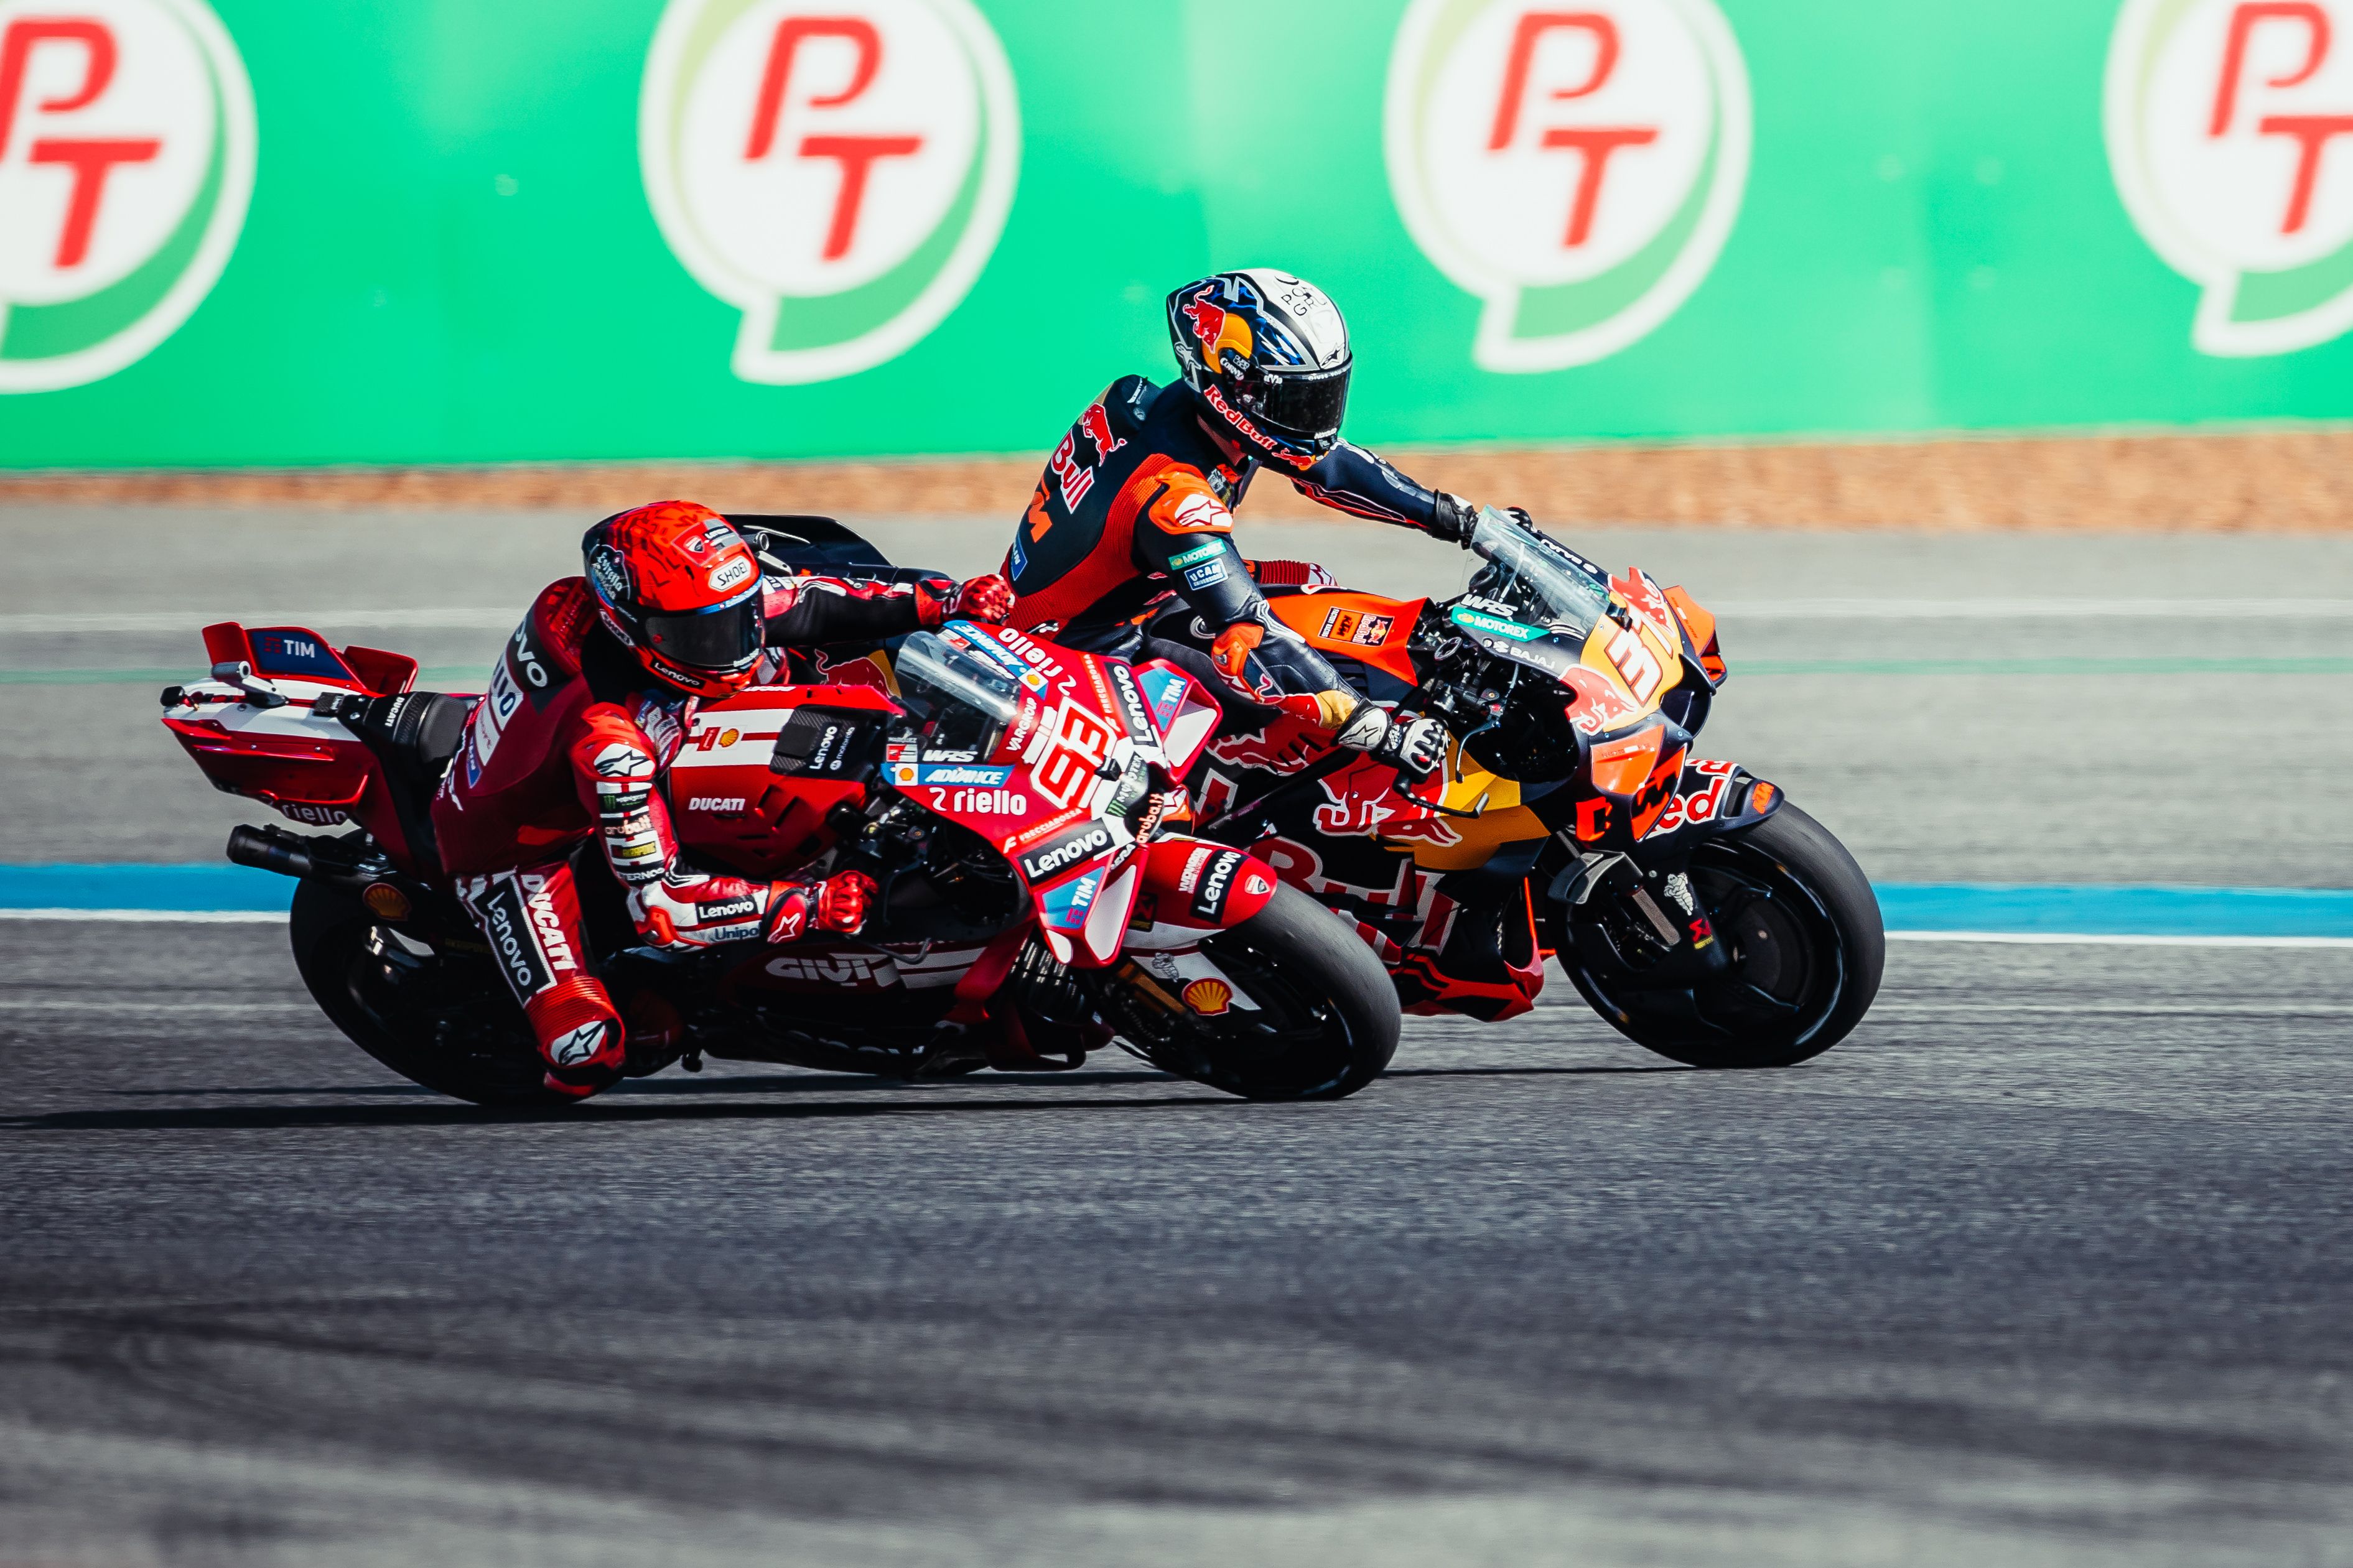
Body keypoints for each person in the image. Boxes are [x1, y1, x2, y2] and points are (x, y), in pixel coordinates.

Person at [431, 499, 1014, 1100]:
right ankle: (661, 1003)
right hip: (522, 854)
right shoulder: (611, 744)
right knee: (586, 1053)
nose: (731, 645)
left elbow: (804, 599)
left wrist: (943, 603)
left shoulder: (680, 614)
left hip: (628, 739)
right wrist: (811, 905)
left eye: (735, 618)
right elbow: (663, 908)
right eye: (700, 633)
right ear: (631, 627)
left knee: (821, 676)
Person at [1002, 267, 1499, 778]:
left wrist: (1461, 521)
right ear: (1228, 387)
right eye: (1296, 402)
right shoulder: (1173, 496)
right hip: (1072, 665)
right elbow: (1251, 629)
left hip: (1134, 602)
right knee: (1162, 808)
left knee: (1313, 586)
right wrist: (1378, 729)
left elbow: (1329, 466)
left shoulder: (1173, 409)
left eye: (1322, 397)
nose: (1314, 419)